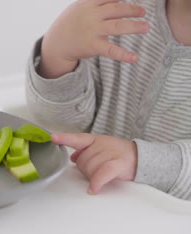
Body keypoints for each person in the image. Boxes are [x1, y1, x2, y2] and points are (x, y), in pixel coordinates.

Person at [26, 0, 191, 199]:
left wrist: (142, 160)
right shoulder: (115, 12)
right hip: (90, 206)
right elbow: (60, 126)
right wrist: (57, 52)